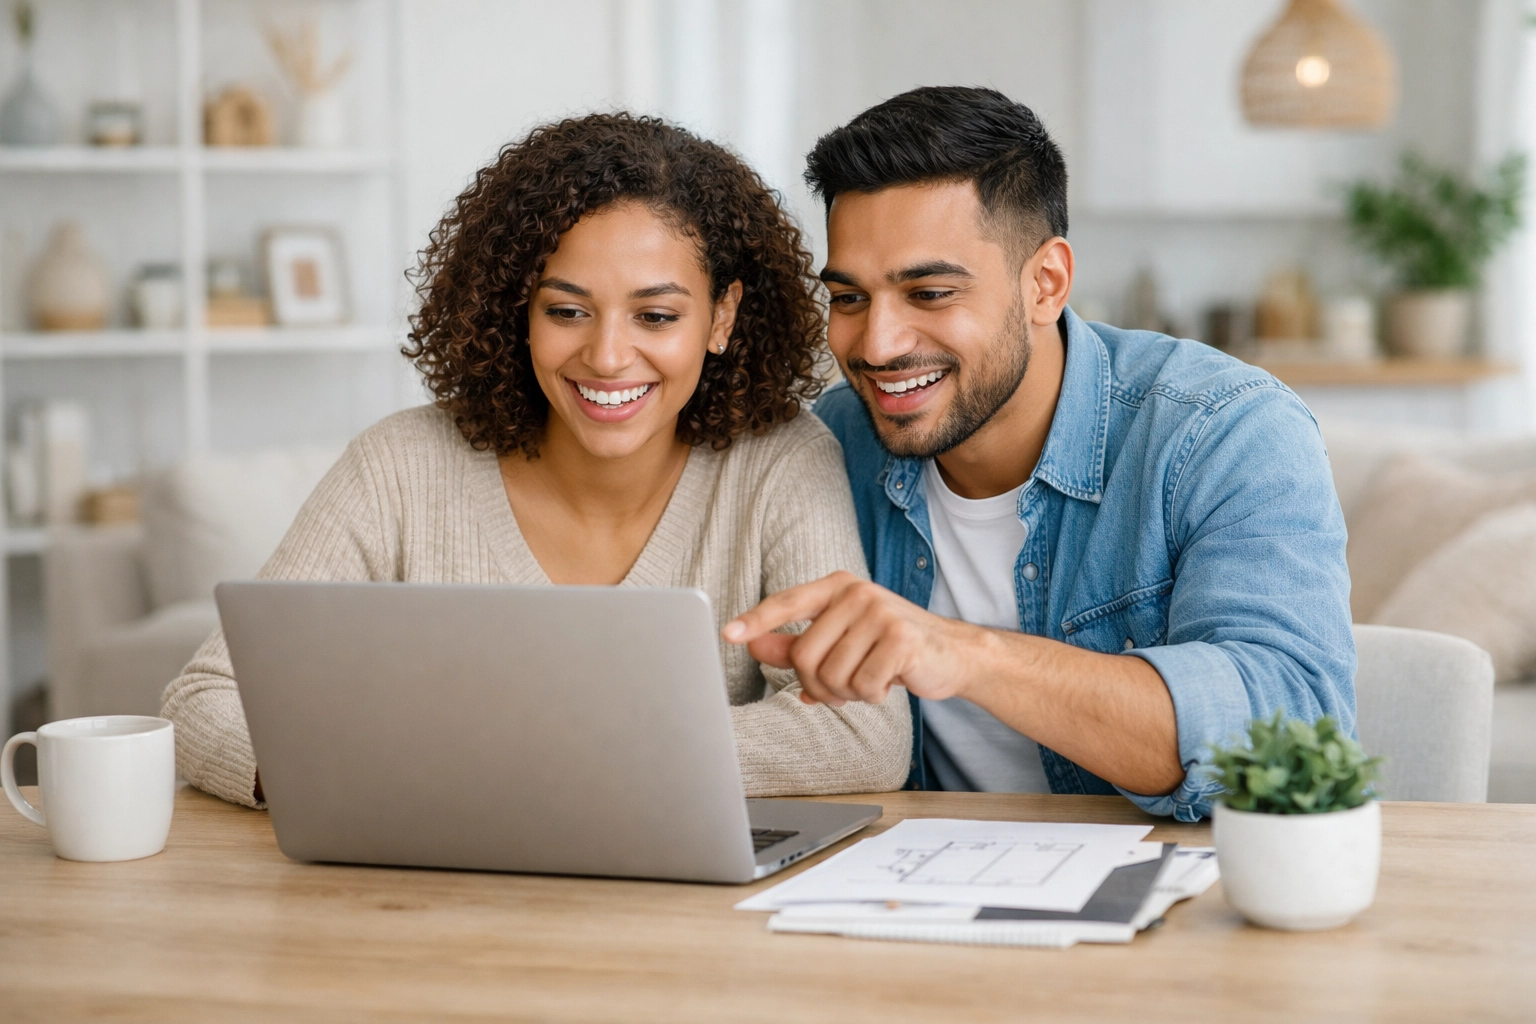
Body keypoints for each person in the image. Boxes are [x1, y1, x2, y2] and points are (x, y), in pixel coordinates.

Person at [163, 113, 911, 809]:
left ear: (721, 316)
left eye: (655, 316)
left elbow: (863, 734)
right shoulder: (400, 466)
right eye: (566, 311)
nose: (608, 356)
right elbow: (205, 699)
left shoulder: (779, 463)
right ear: (515, 311)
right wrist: (355, 773)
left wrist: (536, 761)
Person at [723, 86, 1355, 821]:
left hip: (1178, 900)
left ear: (1045, 284)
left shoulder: (1222, 431)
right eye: (851, 298)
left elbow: (1290, 733)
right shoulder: (831, 445)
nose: (877, 345)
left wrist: (965, 654)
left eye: (928, 293)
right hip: (906, 894)